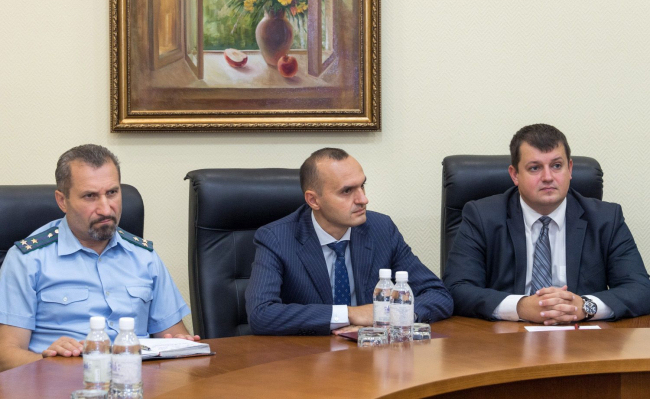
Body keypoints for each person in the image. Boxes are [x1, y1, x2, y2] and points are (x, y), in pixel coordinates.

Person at [0, 145, 198, 372]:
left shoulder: (145, 257)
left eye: (112, 193)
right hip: (61, 383)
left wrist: (183, 346)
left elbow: (174, 336)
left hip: (135, 383)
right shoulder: (27, 260)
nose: (105, 209)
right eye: (90, 196)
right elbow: (5, 355)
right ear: (62, 200)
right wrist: (49, 363)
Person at [443, 124, 650, 324]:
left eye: (556, 166)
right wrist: (520, 307)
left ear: (570, 169)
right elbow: (456, 288)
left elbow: (641, 289)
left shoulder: (606, 219)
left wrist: (585, 306)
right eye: (535, 168)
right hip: (506, 339)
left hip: (583, 337)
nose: (548, 177)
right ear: (515, 175)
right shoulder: (482, 217)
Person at [245, 148, 453, 336]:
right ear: (313, 200)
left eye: (362, 186)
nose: (363, 199)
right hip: (308, 357)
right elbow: (261, 314)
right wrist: (351, 314)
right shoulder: (276, 238)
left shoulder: (381, 229)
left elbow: (437, 294)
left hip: (371, 353)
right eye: (347, 191)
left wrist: (394, 316)